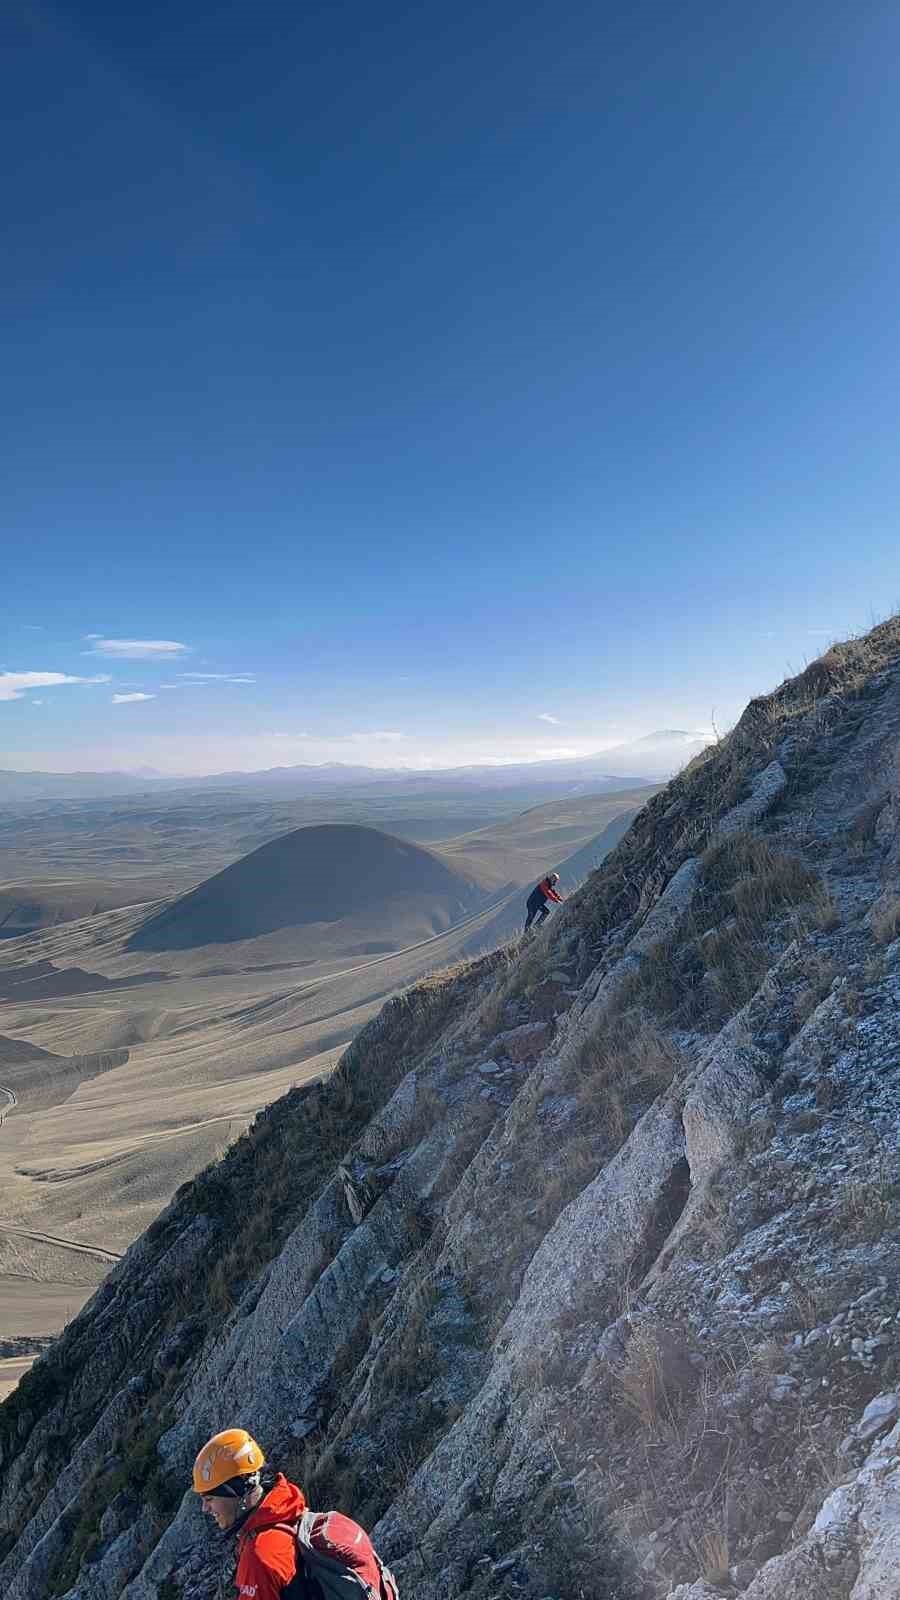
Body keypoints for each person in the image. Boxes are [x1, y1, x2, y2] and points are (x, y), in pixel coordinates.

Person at [192, 1428, 393, 1600]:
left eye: (209, 1499)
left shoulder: (260, 1555)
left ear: (236, 1491)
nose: (205, 1508)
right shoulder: (290, 1515)